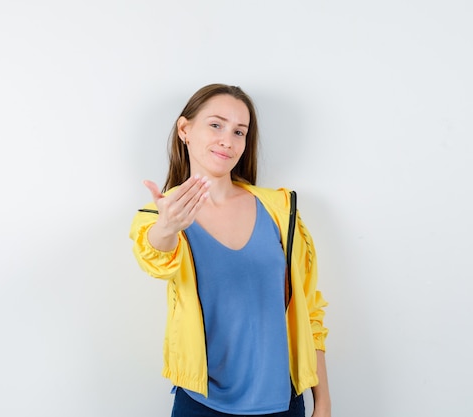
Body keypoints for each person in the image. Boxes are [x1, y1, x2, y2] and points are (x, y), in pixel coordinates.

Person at [129, 84, 331, 417]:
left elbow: (309, 312)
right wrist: (168, 226)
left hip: (283, 402)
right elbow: (156, 259)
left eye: (240, 131)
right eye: (216, 125)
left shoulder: (281, 210)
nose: (228, 140)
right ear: (185, 130)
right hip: (200, 404)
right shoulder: (160, 216)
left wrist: (322, 402)